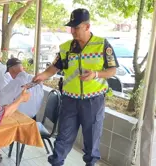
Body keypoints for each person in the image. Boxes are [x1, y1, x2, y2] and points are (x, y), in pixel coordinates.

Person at [33, 9, 119, 166]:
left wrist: (96, 74)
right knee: (63, 138)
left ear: (87, 27)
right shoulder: (66, 47)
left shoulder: (102, 44)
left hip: (93, 101)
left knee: (92, 140)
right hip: (69, 100)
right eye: (71, 27)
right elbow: (55, 67)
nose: (72, 31)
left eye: (76, 27)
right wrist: (42, 76)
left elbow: (113, 70)